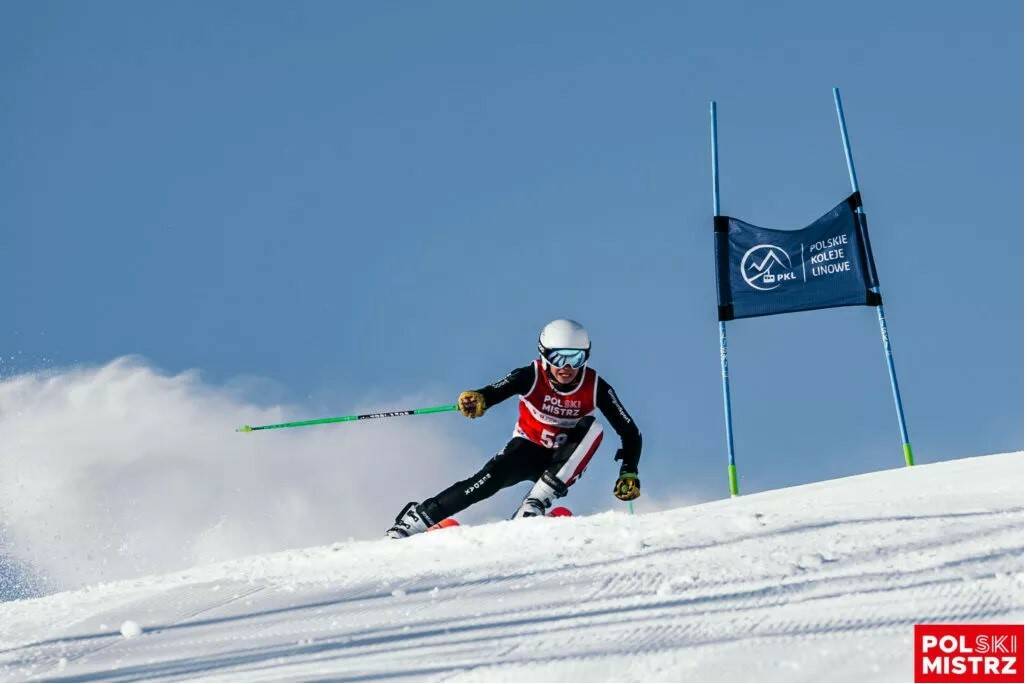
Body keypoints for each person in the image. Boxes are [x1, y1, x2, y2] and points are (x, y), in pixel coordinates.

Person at [387, 319, 642, 539]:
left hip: (563, 460)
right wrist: (479, 398)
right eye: (558, 357)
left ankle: (533, 505)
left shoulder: (596, 386)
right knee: (484, 483)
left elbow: (630, 432)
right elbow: (495, 391)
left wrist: (629, 471)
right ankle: (417, 519)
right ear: (544, 355)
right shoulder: (531, 375)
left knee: (593, 428)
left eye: (575, 358)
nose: (566, 368)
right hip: (526, 449)